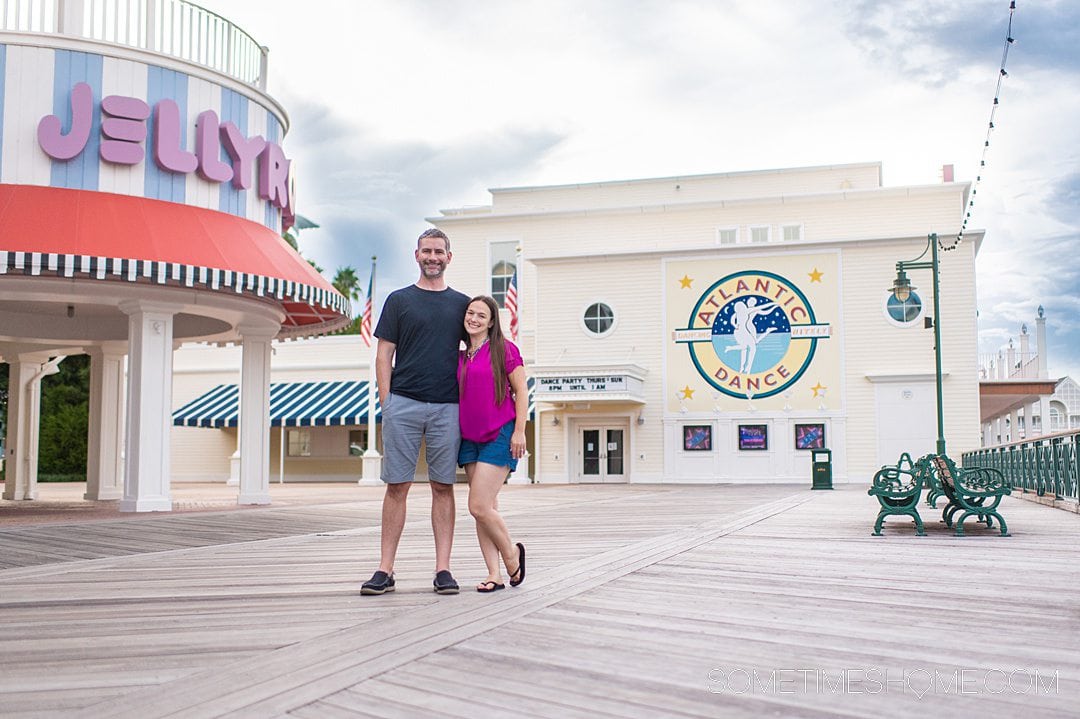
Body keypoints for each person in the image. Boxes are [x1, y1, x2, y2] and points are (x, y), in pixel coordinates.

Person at [361, 228, 471, 596]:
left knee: (443, 486)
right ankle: (385, 569)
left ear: (449, 257)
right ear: (417, 255)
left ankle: (443, 569)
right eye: (427, 251)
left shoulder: (462, 305)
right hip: (403, 403)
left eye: (439, 251)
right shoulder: (399, 301)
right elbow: (383, 354)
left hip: (448, 407)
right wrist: (387, 401)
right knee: (397, 486)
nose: (433, 257)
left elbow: (481, 351)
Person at [457, 295, 527, 592]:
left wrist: (520, 432)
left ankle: (512, 556)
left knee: (478, 505)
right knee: (486, 508)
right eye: (470, 313)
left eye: (481, 315)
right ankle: (494, 573)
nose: (473, 318)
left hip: (499, 434)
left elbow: (522, 391)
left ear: (491, 321)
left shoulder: (504, 350)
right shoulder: (460, 356)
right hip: (468, 438)